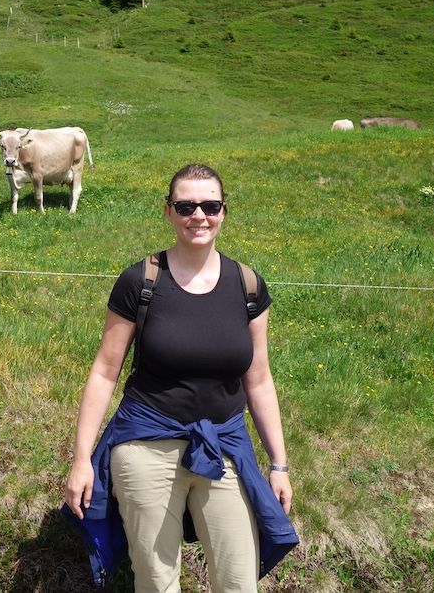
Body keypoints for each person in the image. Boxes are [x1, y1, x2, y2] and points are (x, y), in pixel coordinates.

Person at [63, 164, 297, 592]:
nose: (199, 216)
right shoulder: (142, 280)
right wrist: (81, 460)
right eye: (186, 205)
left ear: (224, 210)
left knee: (239, 582)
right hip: (145, 448)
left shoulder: (247, 285)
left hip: (224, 446)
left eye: (210, 205)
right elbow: (104, 371)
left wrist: (278, 465)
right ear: (168, 212)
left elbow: (259, 379)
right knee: (157, 582)